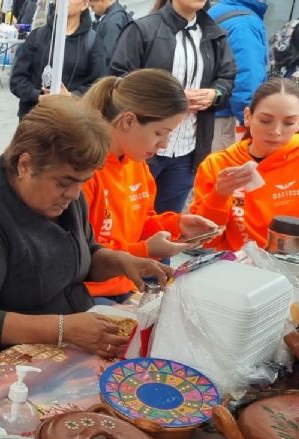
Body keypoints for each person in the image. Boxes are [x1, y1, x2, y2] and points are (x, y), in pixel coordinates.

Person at [0, 97, 171, 373]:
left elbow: (85, 254)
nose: (73, 194)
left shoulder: (67, 200)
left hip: (56, 344)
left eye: (82, 182)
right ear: (25, 165)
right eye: (64, 182)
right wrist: (63, 328)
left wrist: (123, 262)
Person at [80, 70, 218, 302]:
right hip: (89, 291)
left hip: (127, 283)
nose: (163, 145)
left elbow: (143, 221)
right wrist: (145, 250)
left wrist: (178, 224)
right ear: (129, 120)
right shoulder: (85, 171)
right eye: (159, 133)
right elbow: (84, 252)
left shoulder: (136, 164)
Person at [110, 0, 236, 214]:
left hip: (188, 146)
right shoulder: (142, 29)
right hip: (143, 143)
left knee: (168, 223)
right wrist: (168, 98)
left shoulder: (215, 34)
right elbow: (118, 81)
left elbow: (227, 77)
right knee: (128, 216)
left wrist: (215, 94)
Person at [190, 79, 299, 251]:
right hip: (240, 268)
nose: (276, 131)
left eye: (289, 123)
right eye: (265, 120)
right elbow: (203, 240)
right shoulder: (218, 164)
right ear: (248, 117)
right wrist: (219, 196)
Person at [9, 0, 106, 118]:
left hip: (71, 120)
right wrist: (37, 96)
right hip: (34, 117)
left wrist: (71, 96)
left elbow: (98, 84)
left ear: (85, 5)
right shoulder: (38, 36)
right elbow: (17, 78)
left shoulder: (93, 41)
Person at [207, 0, 267, 151]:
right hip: (225, 117)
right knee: (222, 171)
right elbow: (247, 77)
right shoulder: (245, 23)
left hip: (209, 111)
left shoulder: (219, 10)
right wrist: (252, 122)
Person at [88, 0, 131, 67]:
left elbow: (107, 57)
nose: (93, 10)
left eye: (92, 7)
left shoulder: (112, 21)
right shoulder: (119, 15)